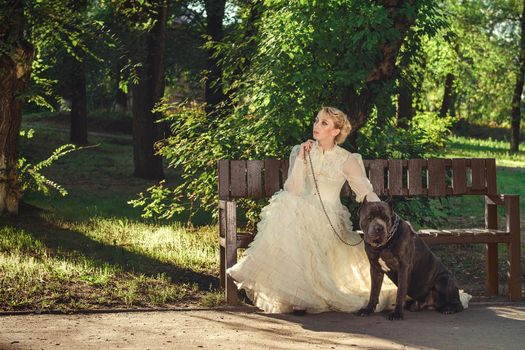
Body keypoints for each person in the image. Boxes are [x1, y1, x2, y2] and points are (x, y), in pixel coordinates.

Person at [227, 107, 463, 314]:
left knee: (293, 214)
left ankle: (306, 297)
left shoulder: (347, 159)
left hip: (328, 217)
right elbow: (294, 190)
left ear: (336, 131)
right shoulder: (301, 150)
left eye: (324, 123)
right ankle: (298, 297)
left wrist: (390, 218)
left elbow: (365, 192)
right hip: (298, 209)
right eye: (317, 120)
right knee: (286, 207)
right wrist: (301, 158)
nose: (316, 125)